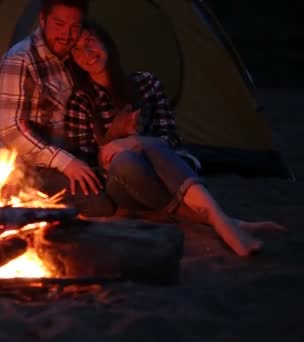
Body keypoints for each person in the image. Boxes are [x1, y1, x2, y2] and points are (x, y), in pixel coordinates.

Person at [65, 21, 285, 256]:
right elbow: (87, 164)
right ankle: (224, 221)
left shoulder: (146, 83)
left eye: (90, 42)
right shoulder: (80, 101)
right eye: (76, 49)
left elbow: (169, 140)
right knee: (126, 160)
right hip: (123, 183)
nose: (86, 53)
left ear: (106, 43)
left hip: (163, 169)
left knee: (151, 146)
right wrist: (114, 140)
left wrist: (134, 142)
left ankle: (221, 222)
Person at [0, 0, 117, 216]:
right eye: (59, 24)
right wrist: (64, 162)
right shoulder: (21, 59)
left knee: (122, 185)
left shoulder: (75, 55)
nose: (67, 34)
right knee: (100, 205)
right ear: (43, 19)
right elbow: (10, 130)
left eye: (74, 27)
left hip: (77, 154)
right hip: (32, 167)